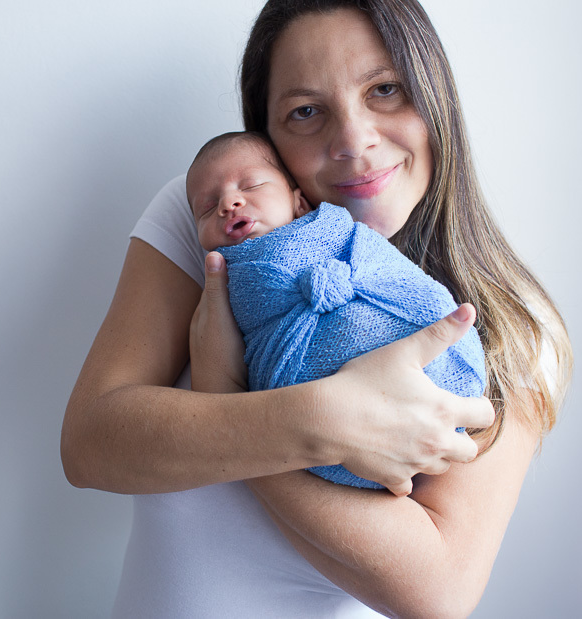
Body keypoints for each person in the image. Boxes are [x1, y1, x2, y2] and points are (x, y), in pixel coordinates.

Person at [61, 0, 572, 618]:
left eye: (385, 89)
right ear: (268, 139)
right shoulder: (219, 218)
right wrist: (322, 421)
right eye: (306, 111)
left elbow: (437, 592)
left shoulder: (510, 326)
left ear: (434, 98)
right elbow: (90, 444)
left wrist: (232, 395)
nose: (355, 142)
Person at [186, 130, 488, 490]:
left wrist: (221, 394)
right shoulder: (226, 280)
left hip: (429, 368)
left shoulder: (336, 230)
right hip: (309, 435)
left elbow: (389, 268)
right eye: (207, 208)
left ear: (300, 204)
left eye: (251, 186)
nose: (228, 203)